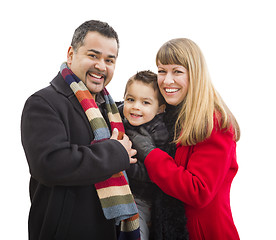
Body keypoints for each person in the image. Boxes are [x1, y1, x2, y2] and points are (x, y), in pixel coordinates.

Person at [21, 20, 139, 240]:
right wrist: (115, 152)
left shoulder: (113, 110)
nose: (101, 66)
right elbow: (50, 164)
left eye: (109, 60)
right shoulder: (43, 103)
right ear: (71, 54)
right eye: (93, 56)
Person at [127, 38, 240, 240]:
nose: (167, 80)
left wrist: (150, 153)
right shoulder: (167, 116)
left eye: (177, 71)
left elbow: (198, 191)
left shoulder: (214, 123)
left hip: (203, 233)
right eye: (162, 71)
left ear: (194, 74)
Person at [119, 70, 168, 240]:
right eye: (130, 99)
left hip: (142, 197)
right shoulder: (119, 117)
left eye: (145, 102)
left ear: (160, 109)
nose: (136, 107)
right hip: (120, 191)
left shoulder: (159, 131)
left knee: (136, 232)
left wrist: (124, 163)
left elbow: (153, 173)